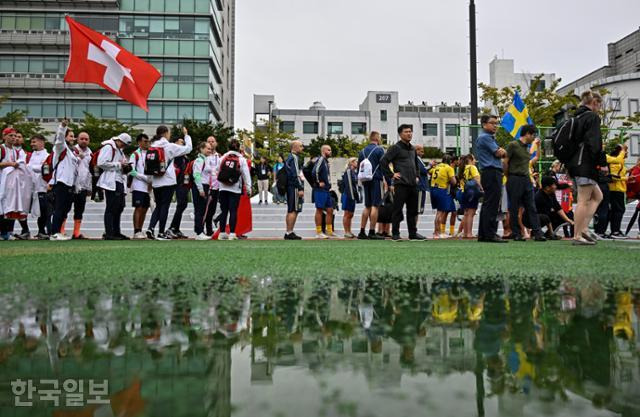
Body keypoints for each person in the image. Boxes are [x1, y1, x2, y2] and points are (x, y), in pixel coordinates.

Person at [567, 91, 606, 246]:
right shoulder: (592, 117)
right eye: (599, 104)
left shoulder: (575, 118)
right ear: (594, 102)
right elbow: (595, 142)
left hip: (574, 164)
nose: (599, 108)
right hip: (586, 163)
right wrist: (602, 162)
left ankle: (583, 229)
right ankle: (577, 234)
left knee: (598, 196)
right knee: (583, 199)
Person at [379, 124, 426, 241]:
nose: (409, 134)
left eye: (410, 131)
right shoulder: (395, 148)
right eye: (406, 132)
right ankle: (395, 234)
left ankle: (413, 234)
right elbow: (383, 161)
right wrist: (391, 175)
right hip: (401, 185)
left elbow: (416, 165)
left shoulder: (412, 149)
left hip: (413, 184)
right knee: (397, 210)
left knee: (413, 211)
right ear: (400, 134)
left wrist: (417, 176)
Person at [146, 126, 192, 241]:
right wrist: (186, 135)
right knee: (165, 206)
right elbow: (188, 148)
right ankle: (161, 232)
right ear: (165, 133)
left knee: (158, 206)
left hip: (156, 180)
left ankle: (151, 228)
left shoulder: (152, 147)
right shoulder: (169, 147)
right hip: (168, 180)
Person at [504, 124, 546, 242]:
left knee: (531, 206)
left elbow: (536, 157)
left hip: (526, 179)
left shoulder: (527, 148)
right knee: (514, 207)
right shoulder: (513, 145)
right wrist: (508, 176)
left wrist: (537, 146)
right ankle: (516, 233)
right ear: (527, 133)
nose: (533, 137)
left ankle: (537, 232)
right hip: (514, 178)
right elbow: (505, 161)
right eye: (533, 135)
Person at [476, 115, 508, 243]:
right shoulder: (486, 137)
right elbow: (499, 153)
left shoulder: (486, 138)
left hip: (489, 172)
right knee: (493, 204)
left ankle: (484, 234)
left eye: (496, 123)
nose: (495, 126)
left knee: (488, 203)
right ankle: (490, 233)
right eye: (492, 123)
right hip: (492, 171)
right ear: (484, 124)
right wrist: (502, 151)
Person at [49, 120, 80, 241]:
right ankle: (55, 232)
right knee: (59, 208)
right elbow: (59, 139)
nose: (73, 138)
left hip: (70, 184)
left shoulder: (72, 152)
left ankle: (59, 231)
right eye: (71, 136)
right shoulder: (61, 147)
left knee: (65, 210)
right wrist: (62, 127)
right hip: (61, 182)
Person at [97, 133, 131, 240]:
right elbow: (101, 163)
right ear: (119, 141)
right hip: (111, 181)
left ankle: (116, 231)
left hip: (119, 180)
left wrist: (125, 166)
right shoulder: (109, 147)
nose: (124, 147)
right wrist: (119, 165)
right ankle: (109, 232)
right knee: (111, 207)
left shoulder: (119, 150)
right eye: (124, 144)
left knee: (119, 207)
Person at [217, 139, 251, 240]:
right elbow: (246, 174)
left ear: (228, 147)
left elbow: (217, 171)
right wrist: (248, 187)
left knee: (223, 211)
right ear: (239, 148)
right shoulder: (241, 159)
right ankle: (232, 233)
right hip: (235, 188)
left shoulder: (223, 157)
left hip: (222, 187)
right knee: (233, 211)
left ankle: (222, 233)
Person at [358, 131, 385, 240]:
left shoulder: (362, 151)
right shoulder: (379, 150)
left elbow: (359, 167)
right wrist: (388, 180)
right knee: (375, 206)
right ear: (377, 139)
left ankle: (362, 231)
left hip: (365, 179)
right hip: (376, 179)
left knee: (367, 206)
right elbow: (384, 165)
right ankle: (372, 231)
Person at [0, 127, 25, 240]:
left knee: (10, 207)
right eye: (11, 135)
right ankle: (3, 232)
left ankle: (8, 232)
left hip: (11, 184)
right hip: (2, 182)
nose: (14, 138)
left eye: (15, 135)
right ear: (4, 136)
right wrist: (10, 164)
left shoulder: (15, 151)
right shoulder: (1, 149)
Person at [129, 133, 152, 239]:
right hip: (138, 185)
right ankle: (136, 230)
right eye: (145, 141)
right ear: (139, 142)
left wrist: (150, 182)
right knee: (138, 207)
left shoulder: (150, 154)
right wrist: (144, 178)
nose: (147, 143)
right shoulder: (135, 154)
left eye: (148, 141)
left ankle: (140, 230)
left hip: (147, 186)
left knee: (145, 208)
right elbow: (131, 171)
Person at [27, 134, 50, 239]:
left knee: (43, 210)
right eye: (31, 142)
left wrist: (31, 167)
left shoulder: (47, 156)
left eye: (34, 142)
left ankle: (41, 230)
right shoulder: (31, 155)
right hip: (30, 187)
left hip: (42, 187)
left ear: (41, 142)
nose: (32, 144)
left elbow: (43, 168)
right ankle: (26, 230)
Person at [70, 131, 92, 240]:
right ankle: (60, 230)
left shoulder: (90, 153)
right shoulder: (71, 150)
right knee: (64, 208)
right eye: (82, 138)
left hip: (83, 186)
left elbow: (89, 171)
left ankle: (76, 233)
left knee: (79, 209)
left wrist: (89, 187)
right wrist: (79, 157)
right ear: (77, 140)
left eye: (86, 139)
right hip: (70, 184)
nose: (84, 141)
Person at [430, 154, 457, 239]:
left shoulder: (437, 167)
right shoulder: (449, 168)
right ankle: (437, 232)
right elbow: (454, 182)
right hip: (441, 189)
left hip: (433, 189)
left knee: (439, 212)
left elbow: (430, 172)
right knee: (440, 212)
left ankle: (436, 231)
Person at [168, 137, 189, 239]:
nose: (183, 144)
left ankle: (176, 228)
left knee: (183, 204)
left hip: (184, 183)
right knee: (181, 204)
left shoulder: (185, 157)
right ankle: (172, 228)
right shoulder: (175, 155)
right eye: (181, 142)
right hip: (177, 183)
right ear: (175, 143)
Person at [312, 145, 336, 239]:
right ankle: (319, 232)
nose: (330, 151)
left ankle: (329, 231)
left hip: (326, 189)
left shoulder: (326, 161)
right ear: (323, 151)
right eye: (328, 150)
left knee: (330, 210)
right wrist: (319, 182)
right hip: (320, 189)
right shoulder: (321, 159)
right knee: (319, 209)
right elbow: (315, 171)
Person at [192, 142, 214, 240]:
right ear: (201, 149)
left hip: (204, 186)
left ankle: (200, 231)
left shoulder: (205, 159)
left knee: (201, 210)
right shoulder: (199, 160)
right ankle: (199, 232)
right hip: (200, 186)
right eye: (208, 148)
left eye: (210, 149)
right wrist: (200, 189)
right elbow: (196, 175)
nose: (210, 150)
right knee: (199, 210)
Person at [457, 154, 483, 239]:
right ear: (470, 159)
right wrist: (482, 189)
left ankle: (465, 233)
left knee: (466, 213)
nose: (475, 160)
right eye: (474, 159)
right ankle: (469, 233)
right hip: (471, 192)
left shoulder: (462, 168)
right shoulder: (472, 167)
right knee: (471, 213)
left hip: (463, 192)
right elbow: (477, 178)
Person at [284, 140, 305, 240]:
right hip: (295, 187)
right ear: (294, 147)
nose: (302, 148)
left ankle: (288, 231)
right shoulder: (294, 158)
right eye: (300, 146)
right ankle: (290, 232)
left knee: (290, 209)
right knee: (294, 210)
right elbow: (296, 174)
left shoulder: (289, 158)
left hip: (290, 186)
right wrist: (300, 188)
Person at [607, 144, 628, 239]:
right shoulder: (615, 162)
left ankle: (616, 230)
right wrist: (626, 178)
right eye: (624, 150)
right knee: (618, 210)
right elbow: (613, 176)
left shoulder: (620, 162)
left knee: (618, 210)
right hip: (615, 189)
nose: (626, 152)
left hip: (619, 189)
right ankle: (615, 231)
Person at [204, 135, 221, 236]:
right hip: (208, 186)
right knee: (206, 209)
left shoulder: (219, 156)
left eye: (212, 141)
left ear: (216, 143)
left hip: (217, 186)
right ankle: (205, 229)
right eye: (209, 141)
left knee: (213, 209)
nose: (211, 143)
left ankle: (209, 230)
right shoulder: (204, 156)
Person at [341, 157, 359, 238]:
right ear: (351, 163)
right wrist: (352, 196)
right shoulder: (348, 171)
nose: (357, 163)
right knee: (347, 214)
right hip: (348, 195)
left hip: (352, 195)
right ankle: (346, 232)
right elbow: (349, 185)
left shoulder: (354, 172)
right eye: (356, 162)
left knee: (350, 214)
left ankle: (349, 231)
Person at [415, 145, 430, 227]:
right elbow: (423, 170)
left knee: (418, 209)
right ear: (416, 151)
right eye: (421, 151)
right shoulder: (416, 159)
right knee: (417, 210)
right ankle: (414, 229)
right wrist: (430, 165)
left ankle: (414, 229)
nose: (423, 153)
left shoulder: (418, 159)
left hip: (421, 186)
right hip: (420, 186)